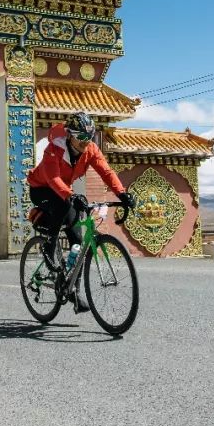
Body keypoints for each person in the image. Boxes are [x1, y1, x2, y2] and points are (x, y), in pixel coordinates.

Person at [26, 112, 133, 310]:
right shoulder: (54, 149)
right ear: (70, 135)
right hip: (42, 189)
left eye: (89, 137)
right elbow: (53, 179)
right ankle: (49, 245)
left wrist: (122, 194)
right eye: (81, 137)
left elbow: (106, 172)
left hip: (63, 191)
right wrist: (70, 195)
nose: (86, 142)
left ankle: (73, 291)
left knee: (77, 241)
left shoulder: (91, 150)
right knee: (64, 204)